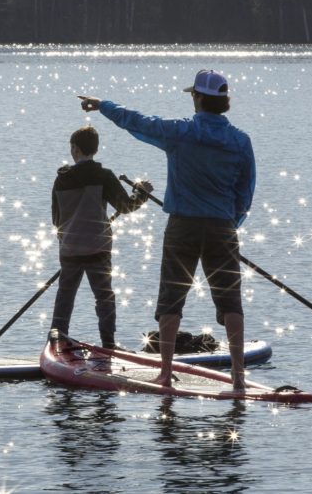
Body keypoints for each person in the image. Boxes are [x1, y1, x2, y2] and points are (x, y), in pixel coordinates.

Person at [78, 69, 255, 389]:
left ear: (200, 98)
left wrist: (103, 105)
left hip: (183, 227)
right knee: (230, 302)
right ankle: (239, 376)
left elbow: (138, 122)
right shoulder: (241, 141)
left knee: (171, 300)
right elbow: (246, 193)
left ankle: (165, 372)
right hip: (222, 229)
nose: (192, 99)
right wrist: (232, 225)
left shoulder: (180, 133)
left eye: (193, 94)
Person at [50, 125, 152, 350]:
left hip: (69, 250)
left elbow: (56, 220)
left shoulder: (61, 179)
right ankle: (108, 343)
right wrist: (142, 193)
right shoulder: (103, 176)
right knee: (104, 297)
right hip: (98, 248)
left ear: (75, 149)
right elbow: (126, 206)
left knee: (65, 296)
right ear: (95, 149)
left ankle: (57, 339)